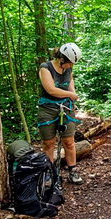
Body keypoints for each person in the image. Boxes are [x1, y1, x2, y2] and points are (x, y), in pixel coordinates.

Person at [38, 43, 84, 185]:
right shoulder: (45, 68)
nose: (71, 66)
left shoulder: (69, 69)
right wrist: (71, 95)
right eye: (70, 63)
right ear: (62, 59)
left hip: (66, 108)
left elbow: (70, 83)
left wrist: (73, 96)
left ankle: (72, 170)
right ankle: (48, 173)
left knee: (69, 142)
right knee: (48, 143)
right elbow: (51, 90)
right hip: (48, 108)